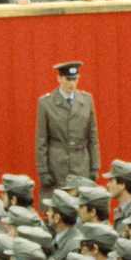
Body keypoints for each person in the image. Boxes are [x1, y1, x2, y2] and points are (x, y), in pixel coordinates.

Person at [35, 61, 99, 193]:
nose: (71, 84)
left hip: (81, 163)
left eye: (74, 79)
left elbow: (92, 136)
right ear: (59, 78)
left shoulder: (86, 101)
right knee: (58, 206)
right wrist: (43, 170)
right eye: (68, 79)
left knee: (81, 205)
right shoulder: (46, 103)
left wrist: (94, 166)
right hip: (57, 165)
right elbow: (41, 139)